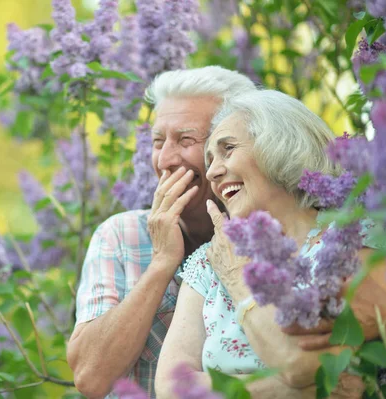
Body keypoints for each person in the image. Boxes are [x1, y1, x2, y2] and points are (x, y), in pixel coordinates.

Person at [155, 89, 386, 398]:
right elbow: (169, 387)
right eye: (209, 160)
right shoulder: (209, 262)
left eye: (227, 149)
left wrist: (238, 281)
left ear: (281, 145)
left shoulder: (353, 237)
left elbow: (305, 367)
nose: (213, 172)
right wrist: (284, 390)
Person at [66, 66, 258, 398]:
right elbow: (89, 378)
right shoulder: (119, 235)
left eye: (186, 140)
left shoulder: (273, 233)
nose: (165, 160)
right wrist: (161, 263)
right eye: (158, 141)